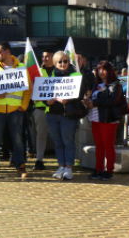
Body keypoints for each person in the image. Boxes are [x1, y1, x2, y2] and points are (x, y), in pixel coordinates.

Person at [0, 42, 32, 179]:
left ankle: (21, 166)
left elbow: (28, 89)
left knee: (18, 140)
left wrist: (23, 106)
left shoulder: (21, 68)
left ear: (7, 52)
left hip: (15, 110)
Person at [45, 51, 85, 180]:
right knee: (57, 142)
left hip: (68, 114)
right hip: (53, 113)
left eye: (65, 61)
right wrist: (48, 101)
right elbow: (44, 94)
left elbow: (80, 94)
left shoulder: (76, 75)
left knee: (68, 141)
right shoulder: (51, 77)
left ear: (69, 62)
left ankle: (69, 168)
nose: (62, 64)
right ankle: (61, 166)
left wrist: (68, 100)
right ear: (55, 63)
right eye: (59, 62)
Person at [86, 61, 123, 181]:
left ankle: (109, 170)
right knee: (99, 146)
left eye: (104, 69)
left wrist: (94, 102)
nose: (101, 72)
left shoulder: (115, 84)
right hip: (95, 117)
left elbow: (113, 100)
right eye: (99, 69)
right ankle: (99, 169)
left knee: (108, 146)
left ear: (109, 71)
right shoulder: (96, 84)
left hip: (108, 119)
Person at [31, 49, 55, 171]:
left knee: (59, 136)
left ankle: (63, 162)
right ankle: (39, 160)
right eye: (43, 56)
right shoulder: (38, 72)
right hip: (40, 108)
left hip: (56, 109)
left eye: (47, 56)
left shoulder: (59, 72)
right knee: (41, 136)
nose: (45, 59)